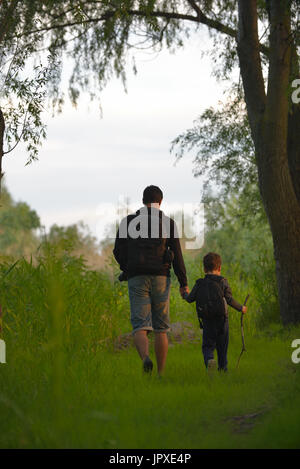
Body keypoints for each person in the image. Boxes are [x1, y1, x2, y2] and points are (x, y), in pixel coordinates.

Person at [113, 185, 188, 376]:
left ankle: (146, 358)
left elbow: (117, 251)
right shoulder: (168, 223)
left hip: (136, 276)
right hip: (161, 277)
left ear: (143, 201)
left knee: (140, 325)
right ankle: (161, 374)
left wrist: (126, 268)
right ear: (160, 202)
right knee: (161, 329)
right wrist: (183, 283)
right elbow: (178, 256)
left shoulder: (128, 222)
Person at [182, 252, 247, 372]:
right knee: (222, 347)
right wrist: (241, 308)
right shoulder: (223, 281)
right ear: (220, 268)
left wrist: (185, 293)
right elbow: (229, 299)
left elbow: (190, 299)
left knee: (207, 346)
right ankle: (223, 370)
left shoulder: (199, 283)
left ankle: (209, 360)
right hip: (222, 321)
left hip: (207, 321)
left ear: (204, 269)